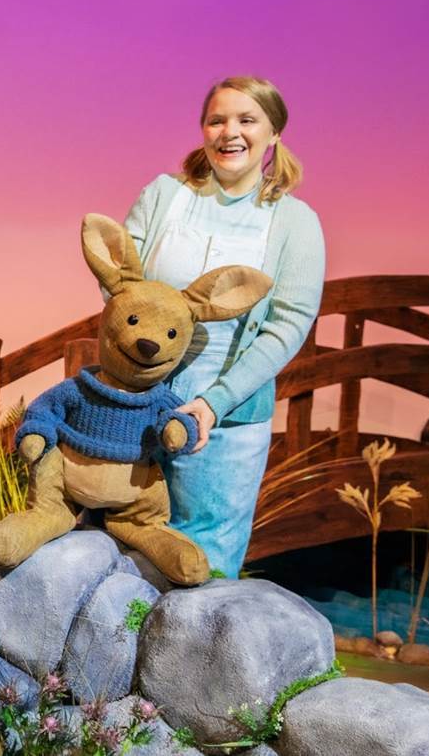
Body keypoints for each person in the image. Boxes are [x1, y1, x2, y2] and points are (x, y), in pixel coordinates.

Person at [122, 76, 325, 579]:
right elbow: (121, 284)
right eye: (217, 120)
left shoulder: (295, 222)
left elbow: (288, 325)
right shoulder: (165, 195)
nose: (229, 132)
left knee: (201, 566)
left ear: (274, 132)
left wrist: (215, 402)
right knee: (115, 543)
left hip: (228, 423)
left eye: (246, 120)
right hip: (137, 401)